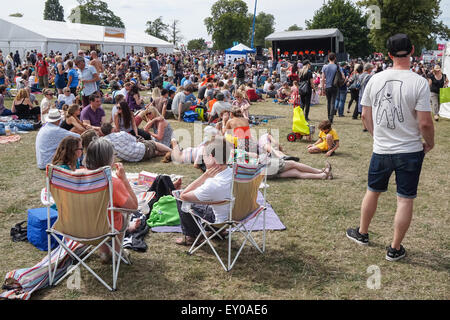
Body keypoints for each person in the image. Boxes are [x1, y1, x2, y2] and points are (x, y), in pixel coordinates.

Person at [346, 34, 435, 262]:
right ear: (412, 50)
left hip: (382, 149)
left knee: (372, 191)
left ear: (388, 54)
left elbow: (365, 114)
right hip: (410, 149)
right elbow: (425, 122)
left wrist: (377, 136)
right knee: (404, 199)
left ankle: (363, 232)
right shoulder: (419, 82)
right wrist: (430, 143)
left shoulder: (374, 79)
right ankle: (395, 248)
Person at [82, 138, 139, 263]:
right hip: (104, 230)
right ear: (107, 159)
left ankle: (103, 252)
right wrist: (124, 179)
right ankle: (118, 253)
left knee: (99, 213)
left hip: (76, 229)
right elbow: (134, 207)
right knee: (122, 214)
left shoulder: (74, 177)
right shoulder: (113, 183)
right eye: (114, 155)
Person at [175, 137, 234, 245]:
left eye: (204, 156)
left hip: (220, 220)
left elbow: (183, 196)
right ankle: (219, 232)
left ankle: (191, 236)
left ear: (213, 158)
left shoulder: (213, 184)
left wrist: (204, 176)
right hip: (238, 215)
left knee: (179, 198)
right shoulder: (235, 173)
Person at [101, 123, 171, 162]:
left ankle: (166, 153)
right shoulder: (122, 134)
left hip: (132, 159)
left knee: (154, 152)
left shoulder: (104, 142)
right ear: (112, 129)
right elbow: (135, 140)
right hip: (141, 151)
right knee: (153, 144)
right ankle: (172, 151)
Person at [321, 53, 342, 123]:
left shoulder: (324, 67)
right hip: (335, 86)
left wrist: (322, 88)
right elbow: (343, 77)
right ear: (335, 58)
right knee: (333, 102)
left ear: (328, 58)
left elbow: (323, 78)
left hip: (327, 86)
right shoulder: (337, 66)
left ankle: (328, 117)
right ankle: (331, 118)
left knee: (328, 102)